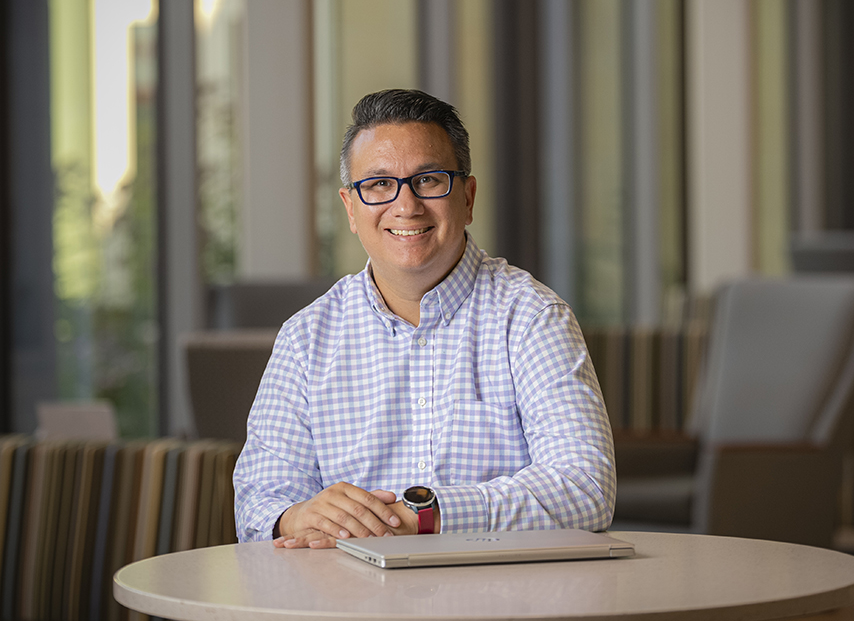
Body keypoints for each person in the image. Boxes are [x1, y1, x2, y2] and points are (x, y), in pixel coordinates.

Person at [233, 88, 615, 548]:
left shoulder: (532, 318)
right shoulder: (305, 338)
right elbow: (257, 505)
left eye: (429, 180)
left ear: (468, 197)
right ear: (350, 209)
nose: (406, 205)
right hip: (347, 603)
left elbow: (585, 486)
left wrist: (424, 517)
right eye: (378, 185)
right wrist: (298, 517)